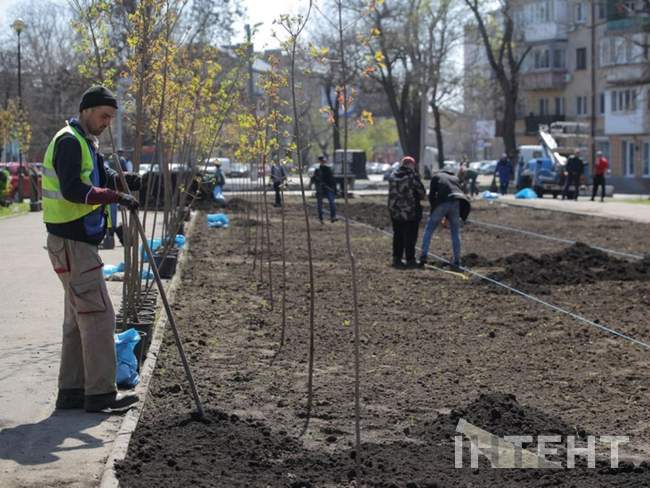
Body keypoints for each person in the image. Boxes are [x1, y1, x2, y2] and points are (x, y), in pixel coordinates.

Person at [42, 85, 141, 413]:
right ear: (87, 110)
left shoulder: (83, 142)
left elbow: (101, 174)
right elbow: (74, 189)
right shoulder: (70, 142)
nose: (107, 123)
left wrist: (123, 180)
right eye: (104, 116)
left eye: (111, 118)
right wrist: (115, 197)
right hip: (73, 244)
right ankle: (99, 394)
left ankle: (71, 391)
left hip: (70, 243)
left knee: (77, 318)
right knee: (99, 316)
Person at [419, 166, 471, 270]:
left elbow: (432, 195)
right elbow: (457, 194)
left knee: (429, 229)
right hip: (457, 202)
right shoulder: (455, 178)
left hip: (443, 202)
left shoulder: (436, 176)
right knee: (455, 232)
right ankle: (457, 260)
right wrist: (447, 216)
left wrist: (434, 211)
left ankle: (423, 256)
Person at [388, 156, 426, 269]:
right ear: (411, 165)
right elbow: (421, 193)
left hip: (395, 211)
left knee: (398, 235)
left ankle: (397, 258)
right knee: (410, 236)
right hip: (410, 211)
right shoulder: (412, 176)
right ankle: (410, 259)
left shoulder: (392, 175)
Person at [312, 155, 337, 223]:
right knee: (319, 204)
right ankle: (321, 218)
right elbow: (314, 180)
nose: (323, 162)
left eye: (324, 161)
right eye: (322, 161)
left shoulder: (328, 169)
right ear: (319, 161)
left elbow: (332, 180)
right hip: (320, 190)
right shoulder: (317, 170)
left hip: (328, 189)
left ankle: (333, 217)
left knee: (332, 202)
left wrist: (334, 190)